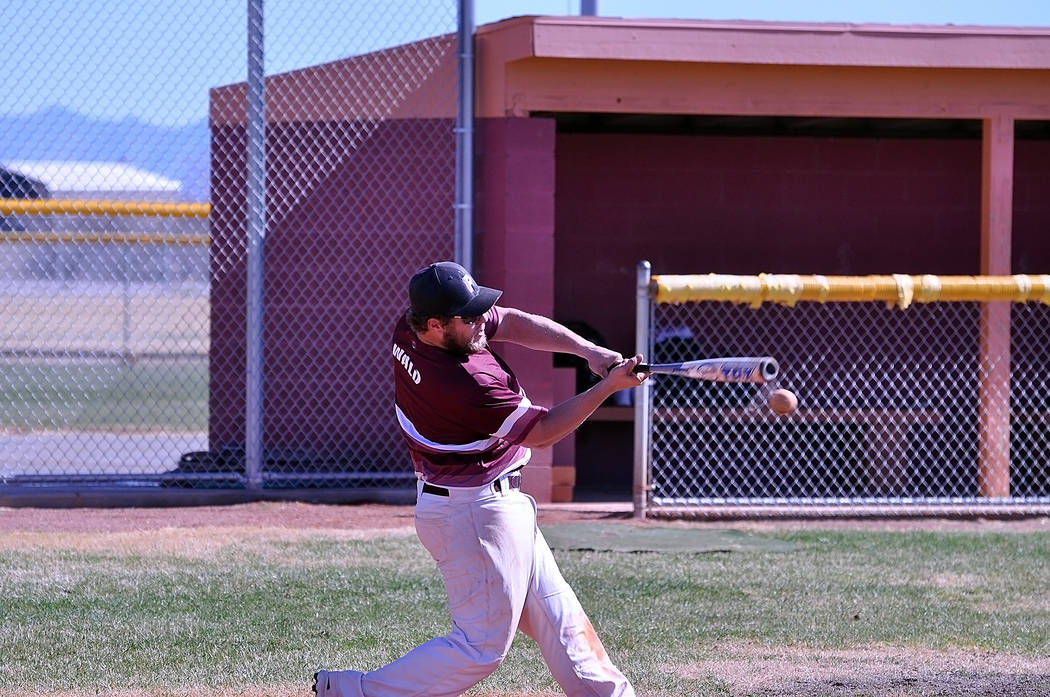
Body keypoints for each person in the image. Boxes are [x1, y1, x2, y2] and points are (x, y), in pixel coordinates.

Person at [314, 261, 647, 697]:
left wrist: (589, 351)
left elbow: (510, 321)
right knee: (481, 647)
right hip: (474, 515)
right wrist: (606, 387)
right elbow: (543, 431)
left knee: (559, 618)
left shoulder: (411, 327)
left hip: (483, 504)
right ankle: (356, 692)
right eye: (468, 318)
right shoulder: (468, 383)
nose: (480, 322)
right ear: (436, 325)